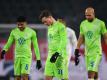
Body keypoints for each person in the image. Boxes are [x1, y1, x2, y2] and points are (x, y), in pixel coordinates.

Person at [74, 7, 107, 80]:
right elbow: (81, 37)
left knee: (90, 74)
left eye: (89, 15)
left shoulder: (100, 23)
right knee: (94, 74)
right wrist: (77, 48)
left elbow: (105, 37)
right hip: (87, 53)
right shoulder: (83, 24)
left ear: (94, 14)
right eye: (86, 15)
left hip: (96, 52)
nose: (87, 17)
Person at [39, 10, 68, 80]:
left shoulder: (60, 26)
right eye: (43, 23)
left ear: (50, 17)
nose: (45, 24)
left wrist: (57, 54)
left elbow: (64, 41)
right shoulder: (49, 28)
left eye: (45, 21)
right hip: (50, 57)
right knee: (47, 77)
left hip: (60, 57)